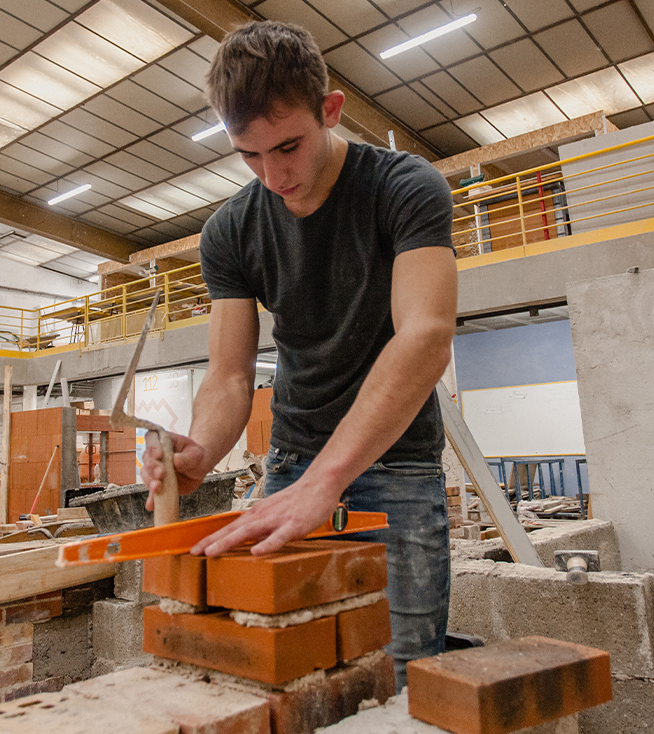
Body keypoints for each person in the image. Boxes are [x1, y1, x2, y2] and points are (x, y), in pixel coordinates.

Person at [139, 21, 458, 689]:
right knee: (282, 675)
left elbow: (424, 335)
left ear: (331, 110)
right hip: (291, 464)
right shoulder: (231, 229)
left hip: (394, 467)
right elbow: (228, 377)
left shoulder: (406, 187)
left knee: (401, 675)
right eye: (249, 155)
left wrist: (328, 481)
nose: (274, 174)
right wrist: (200, 447)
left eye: (288, 146)